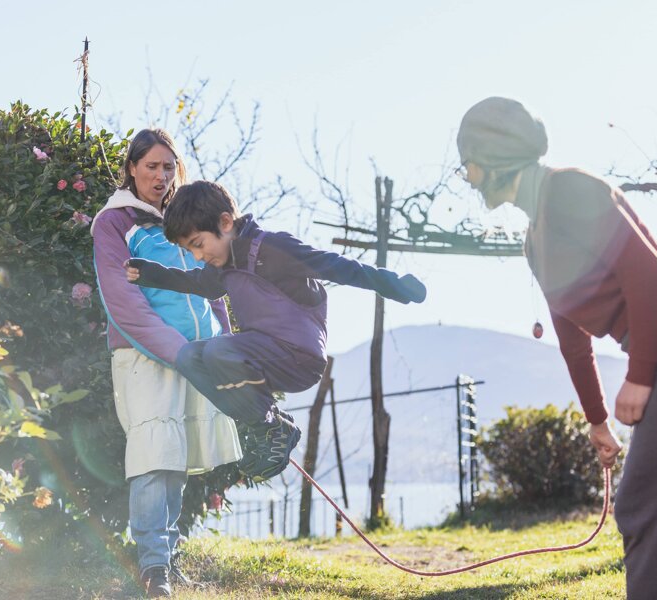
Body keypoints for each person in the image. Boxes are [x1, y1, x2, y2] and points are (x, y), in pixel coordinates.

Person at [456, 97, 657, 599]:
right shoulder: (534, 240)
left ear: (493, 158)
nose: (467, 176)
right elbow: (572, 338)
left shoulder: (568, 187)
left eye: (469, 163)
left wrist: (641, 373)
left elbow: (644, 269)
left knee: (643, 503)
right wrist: (596, 420)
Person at [125, 180, 427, 483]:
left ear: (225, 223)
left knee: (218, 350)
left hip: (299, 357)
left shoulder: (274, 248)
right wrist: (154, 274)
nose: (198, 256)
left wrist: (395, 285)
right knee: (189, 356)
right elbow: (199, 284)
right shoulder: (222, 266)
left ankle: (268, 426)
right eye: (189, 250)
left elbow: (336, 266)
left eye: (198, 244)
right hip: (260, 354)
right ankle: (266, 426)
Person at [91, 129, 242, 598]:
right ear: (132, 168)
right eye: (151, 166)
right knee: (155, 459)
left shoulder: (183, 217)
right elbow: (123, 300)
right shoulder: (113, 223)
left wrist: (226, 348)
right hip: (147, 357)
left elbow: (210, 286)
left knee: (176, 459)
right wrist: (177, 350)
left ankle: (166, 561)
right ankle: (153, 569)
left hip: (199, 356)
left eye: (168, 166)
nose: (160, 175)